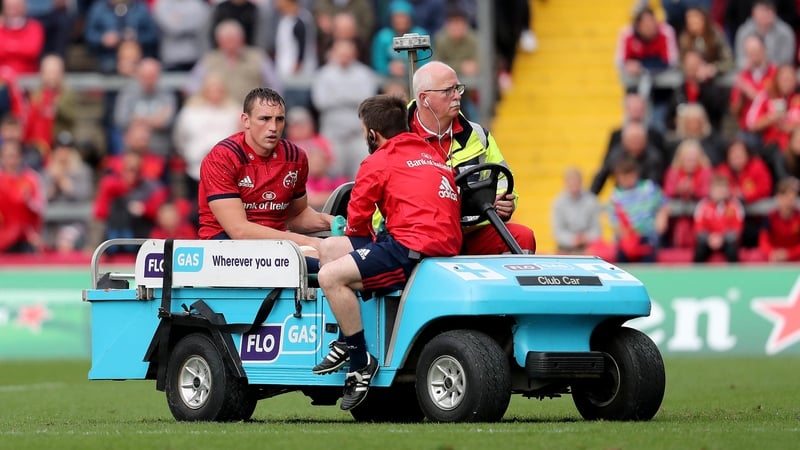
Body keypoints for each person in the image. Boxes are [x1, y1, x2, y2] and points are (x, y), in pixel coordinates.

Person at [313, 94, 462, 410]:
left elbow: (356, 223)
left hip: (410, 250)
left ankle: (359, 362)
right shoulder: (432, 153)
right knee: (329, 248)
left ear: (372, 134)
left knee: (329, 276)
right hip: (440, 245)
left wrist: (369, 244)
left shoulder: (378, 161)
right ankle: (345, 337)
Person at [408, 61, 536, 254]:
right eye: (448, 91)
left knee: (523, 237)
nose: (458, 95)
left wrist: (505, 202)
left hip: (469, 230)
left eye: (458, 88)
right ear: (424, 99)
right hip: (420, 237)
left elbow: (503, 179)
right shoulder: (397, 137)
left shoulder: (478, 135)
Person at [197, 87, 332, 256]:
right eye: (265, 119)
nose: (273, 127)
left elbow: (295, 215)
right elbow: (239, 231)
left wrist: (327, 221)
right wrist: (308, 242)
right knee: (320, 259)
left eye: (279, 119)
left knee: (335, 255)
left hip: (278, 246)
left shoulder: (295, 156)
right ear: (246, 120)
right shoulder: (222, 157)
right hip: (224, 249)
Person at [311, 38, 379, 179]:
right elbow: (320, 102)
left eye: (347, 53)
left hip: (358, 137)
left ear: (354, 53)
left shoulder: (365, 73)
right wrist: (352, 97)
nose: (344, 56)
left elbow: (367, 102)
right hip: (332, 137)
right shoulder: (323, 74)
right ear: (333, 52)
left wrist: (336, 95)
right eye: (341, 53)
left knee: (362, 176)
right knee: (333, 179)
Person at [608, 156, 670, 263]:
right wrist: (627, 235)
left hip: (648, 235)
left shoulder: (648, 187)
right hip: (628, 238)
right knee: (621, 257)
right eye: (623, 177)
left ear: (636, 174)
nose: (627, 180)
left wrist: (661, 218)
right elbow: (615, 222)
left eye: (629, 176)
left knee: (648, 255)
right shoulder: (615, 196)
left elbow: (664, 204)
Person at [692, 173, 745, 262]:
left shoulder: (735, 205)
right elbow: (698, 228)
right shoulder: (703, 205)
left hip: (727, 241)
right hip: (708, 240)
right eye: (717, 188)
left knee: (732, 250)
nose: (720, 191)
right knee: (699, 250)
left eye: (723, 188)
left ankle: (735, 271)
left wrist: (722, 238)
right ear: (711, 190)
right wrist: (709, 238)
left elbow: (737, 228)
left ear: (728, 190)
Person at [551, 167, 602, 254]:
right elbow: (558, 232)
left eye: (576, 182)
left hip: (587, 247)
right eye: (571, 182)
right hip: (566, 248)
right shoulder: (558, 203)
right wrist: (573, 240)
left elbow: (597, 230)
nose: (574, 185)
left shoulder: (591, 200)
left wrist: (585, 238)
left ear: (581, 182)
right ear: (566, 183)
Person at [758, 176, 800, 261]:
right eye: (786, 197)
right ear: (778, 197)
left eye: (792, 198)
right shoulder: (770, 217)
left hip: (796, 258)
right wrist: (771, 253)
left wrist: (788, 254)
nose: (789, 201)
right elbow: (763, 240)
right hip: (774, 258)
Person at [0, 0, 45, 75]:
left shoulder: (34, 27)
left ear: (24, 6)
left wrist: (8, 46)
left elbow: (32, 50)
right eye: (9, 6)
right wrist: (19, 46)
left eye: (15, 6)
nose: (12, 9)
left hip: (28, 76)